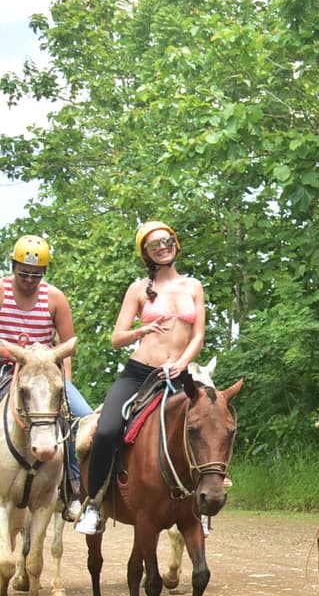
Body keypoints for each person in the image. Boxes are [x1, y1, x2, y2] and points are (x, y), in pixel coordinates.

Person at [75, 221, 206, 534]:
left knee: (210, 423)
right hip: (139, 373)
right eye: (154, 244)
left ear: (175, 242)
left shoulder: (193, 286)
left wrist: (183, 362)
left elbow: (198, 334)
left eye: (166, 240)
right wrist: (141, 330)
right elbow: (116, 338)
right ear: (146, 253)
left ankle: (202, 505)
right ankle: (94, 503)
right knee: (106, 431)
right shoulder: (138, 289)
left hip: (178, 373)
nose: (162, 246)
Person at [1, 235, 93, 504]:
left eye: (36, 275)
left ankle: (73, 487)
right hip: (6, 368)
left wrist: (65, 383)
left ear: (44, 272)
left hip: (46, 375)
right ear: (14, 267)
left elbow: (67, 346)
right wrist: (18, 354)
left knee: (83, 419)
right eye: (24, 273)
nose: (29, 280)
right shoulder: (1, 291)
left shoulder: (55, 298)